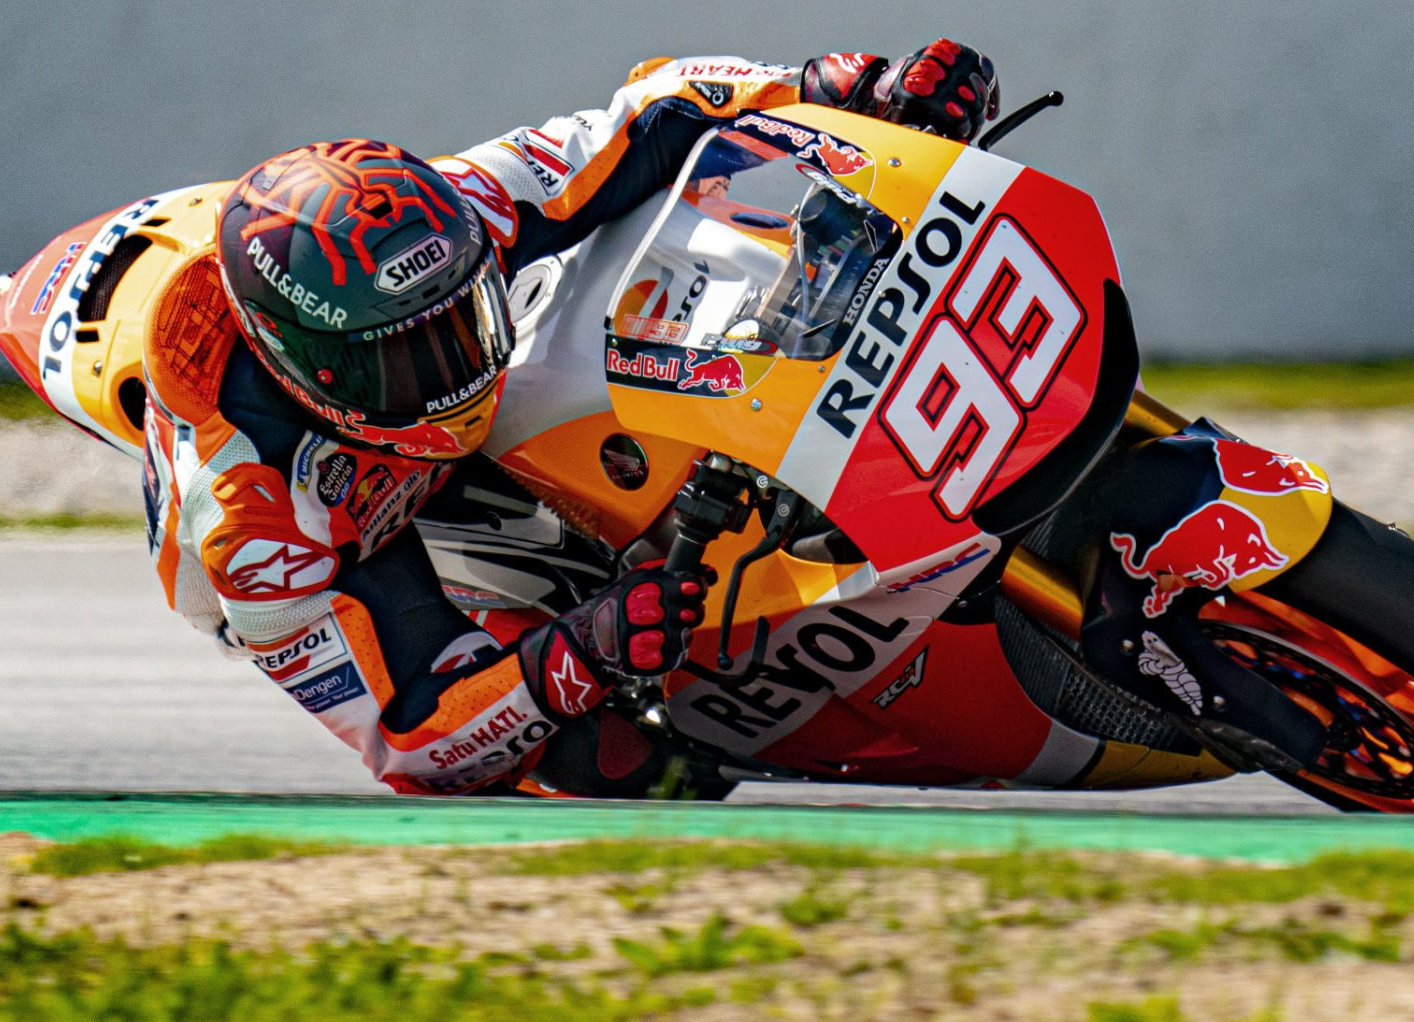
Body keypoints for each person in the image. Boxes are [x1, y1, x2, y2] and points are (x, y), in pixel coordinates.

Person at [142, 42, 1000, 796]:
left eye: (462, 316)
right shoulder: (253, 529)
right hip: (359, 543)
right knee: (623, 762)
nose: (456, 369)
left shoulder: (460, 208)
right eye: (410, 358)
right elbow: (407, 739)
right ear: (308, 366)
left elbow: (651, 112)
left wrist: (843, 87)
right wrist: (576, 655)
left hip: (418, 420)